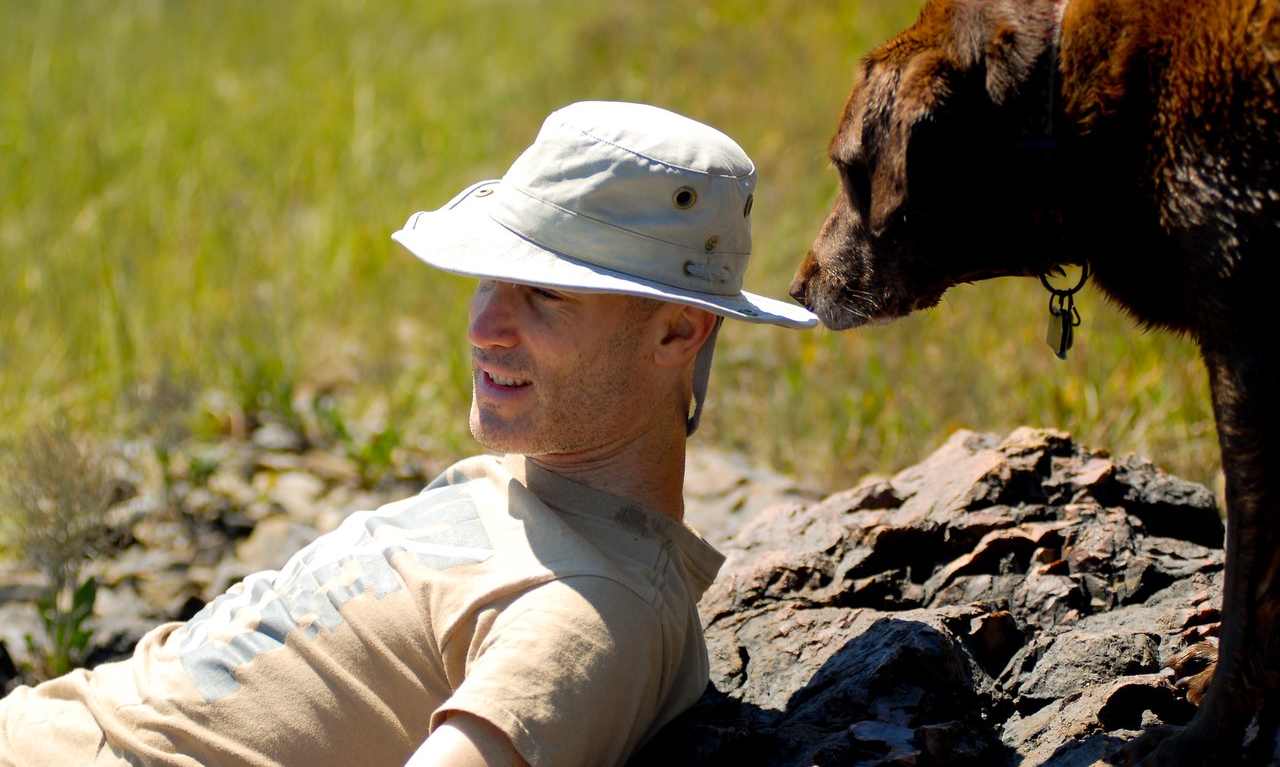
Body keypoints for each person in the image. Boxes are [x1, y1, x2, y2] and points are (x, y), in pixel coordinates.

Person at [0, 101, 816, 767]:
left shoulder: (593, 613)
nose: (486, 324)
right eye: (490, 279)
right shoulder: (519, 480)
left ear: (678, 333)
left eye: (545, 294)